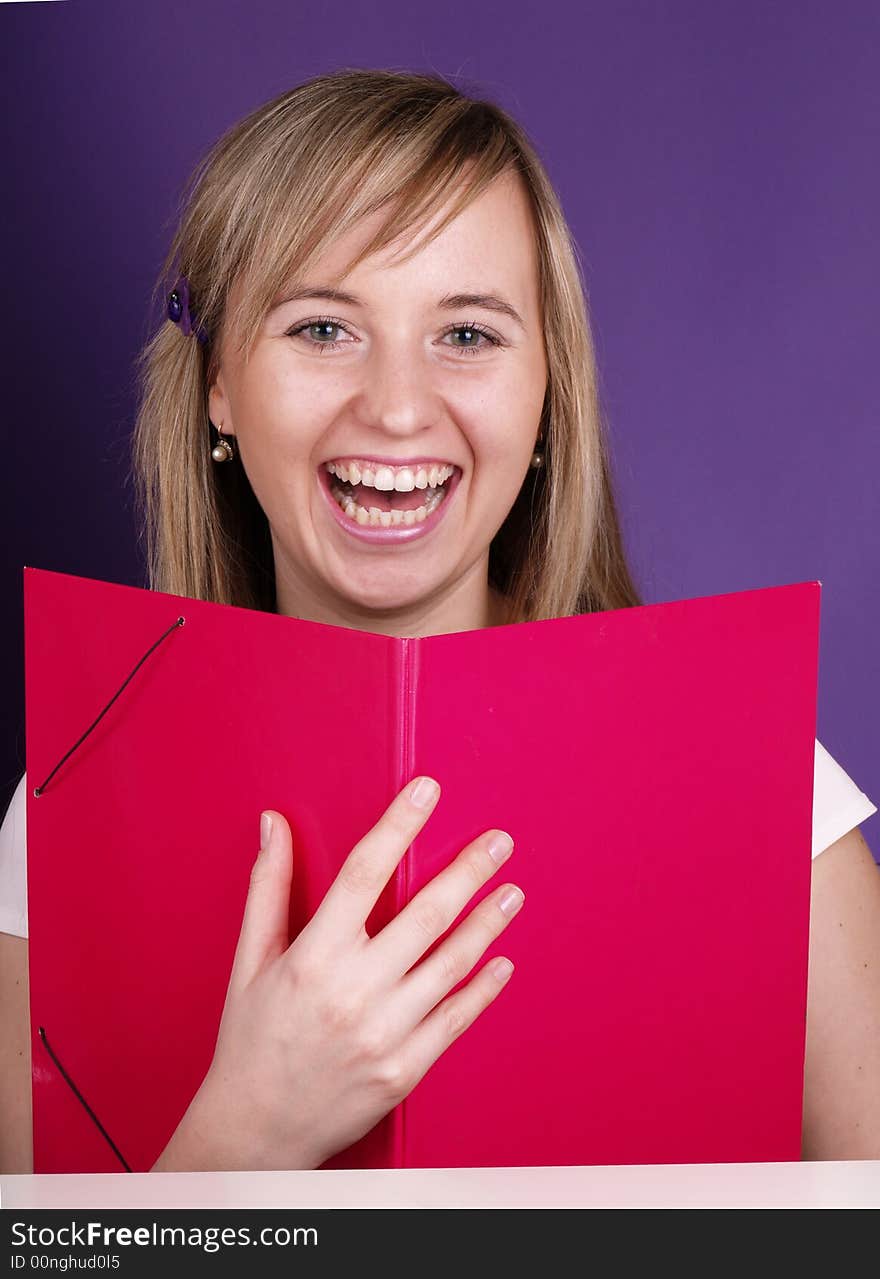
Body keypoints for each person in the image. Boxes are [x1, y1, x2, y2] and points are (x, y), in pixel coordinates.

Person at [1, 68, 879, 1174]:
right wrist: (246, 1134)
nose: (399, 407)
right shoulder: (63, 810)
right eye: (323, 327)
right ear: (219, 383)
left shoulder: (772, 792)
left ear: (548, 390)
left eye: (467, 335)